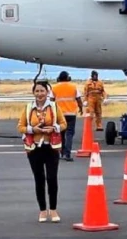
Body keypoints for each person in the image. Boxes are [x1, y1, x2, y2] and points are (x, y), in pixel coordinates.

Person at [18, 81, 67, 223]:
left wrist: (54, 128)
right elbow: (20, 126)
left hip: (51, 147)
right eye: (37, 91)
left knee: (52, 178)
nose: (39, 94)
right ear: (33, 93)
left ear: (47, 92)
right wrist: (33, 130)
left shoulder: (54, 107)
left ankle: (53, 209)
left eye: (42, 91)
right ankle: (42, 210)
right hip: (34, 148)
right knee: (39, 179)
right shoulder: (28, 108)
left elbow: (64, 124)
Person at [52, 71, 83, 162]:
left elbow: (51, 100)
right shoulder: (73, 87)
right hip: (71, 114)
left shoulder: (55, 88)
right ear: (68, 78)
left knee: (61, 134)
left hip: (59, 114)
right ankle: (67, 154)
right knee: (69, 134)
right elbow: (78, 99)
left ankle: (62, 153)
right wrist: (81, 108)